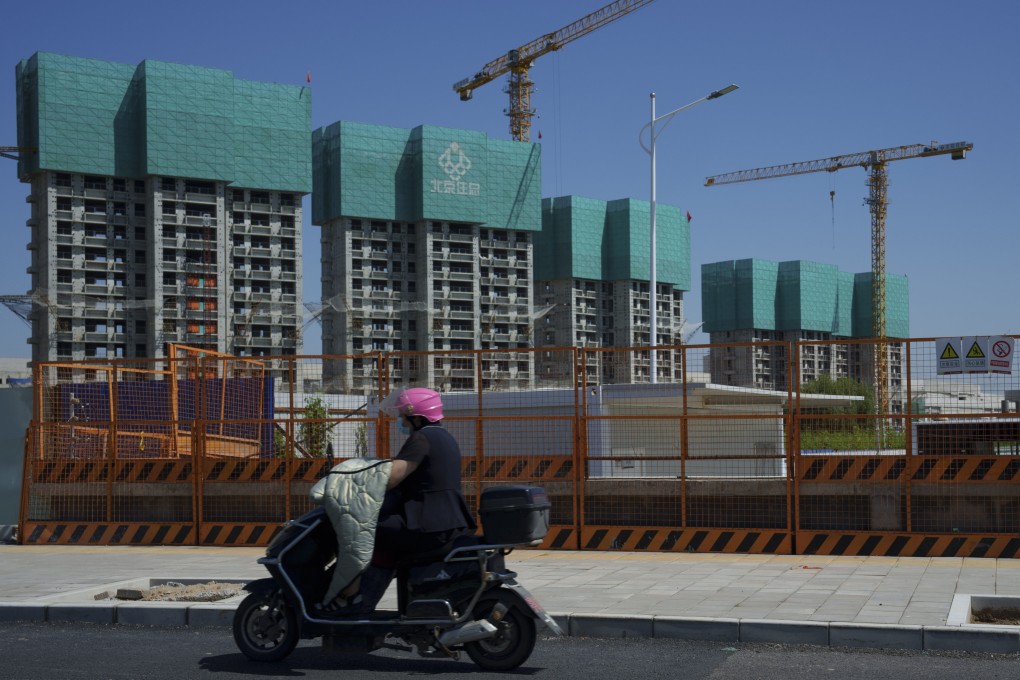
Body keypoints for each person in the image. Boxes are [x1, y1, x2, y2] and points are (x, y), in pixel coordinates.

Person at [321, 387, 475, 616]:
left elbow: (393, 476)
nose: (400, 420)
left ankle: (351, 600)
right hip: (447, 522)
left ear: (416, 417)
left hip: (427, 524)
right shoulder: (444, 437)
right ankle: (359, 599)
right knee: (383, 533)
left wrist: (359, 484)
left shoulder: (421, 438)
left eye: (402, 416)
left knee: (360, 529)